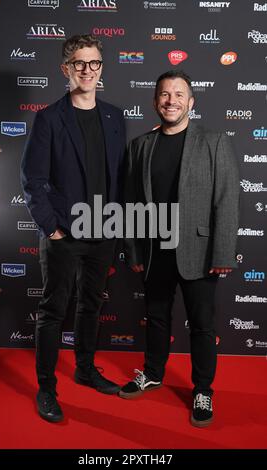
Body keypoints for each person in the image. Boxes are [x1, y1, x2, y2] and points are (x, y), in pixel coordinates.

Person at [120, 70, 240, 427]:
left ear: (191, 102)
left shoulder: (214, 141)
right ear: (155, 100)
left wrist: (222, 253)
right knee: (156, 317)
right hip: (156, 250)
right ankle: (153, 372)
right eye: (164, 94)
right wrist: (136, 251)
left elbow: (227, 199)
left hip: (200, 252)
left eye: (178, 94)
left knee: (202, 324)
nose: (170, 100)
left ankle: (203, 389)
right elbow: (130, 205)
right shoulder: (141, 146)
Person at [21, 34, 126, 423]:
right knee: (53, 310)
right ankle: (46, 388)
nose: (87, 70)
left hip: (103, 231)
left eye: (93, 63)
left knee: (92, 305)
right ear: (66, 69)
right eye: (79, 63)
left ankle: (84, 370)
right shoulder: (49, 117)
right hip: (63, 234)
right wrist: (52, 231)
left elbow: (119, 177)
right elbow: (33, 180)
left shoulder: (115, 116)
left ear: (102, 69)